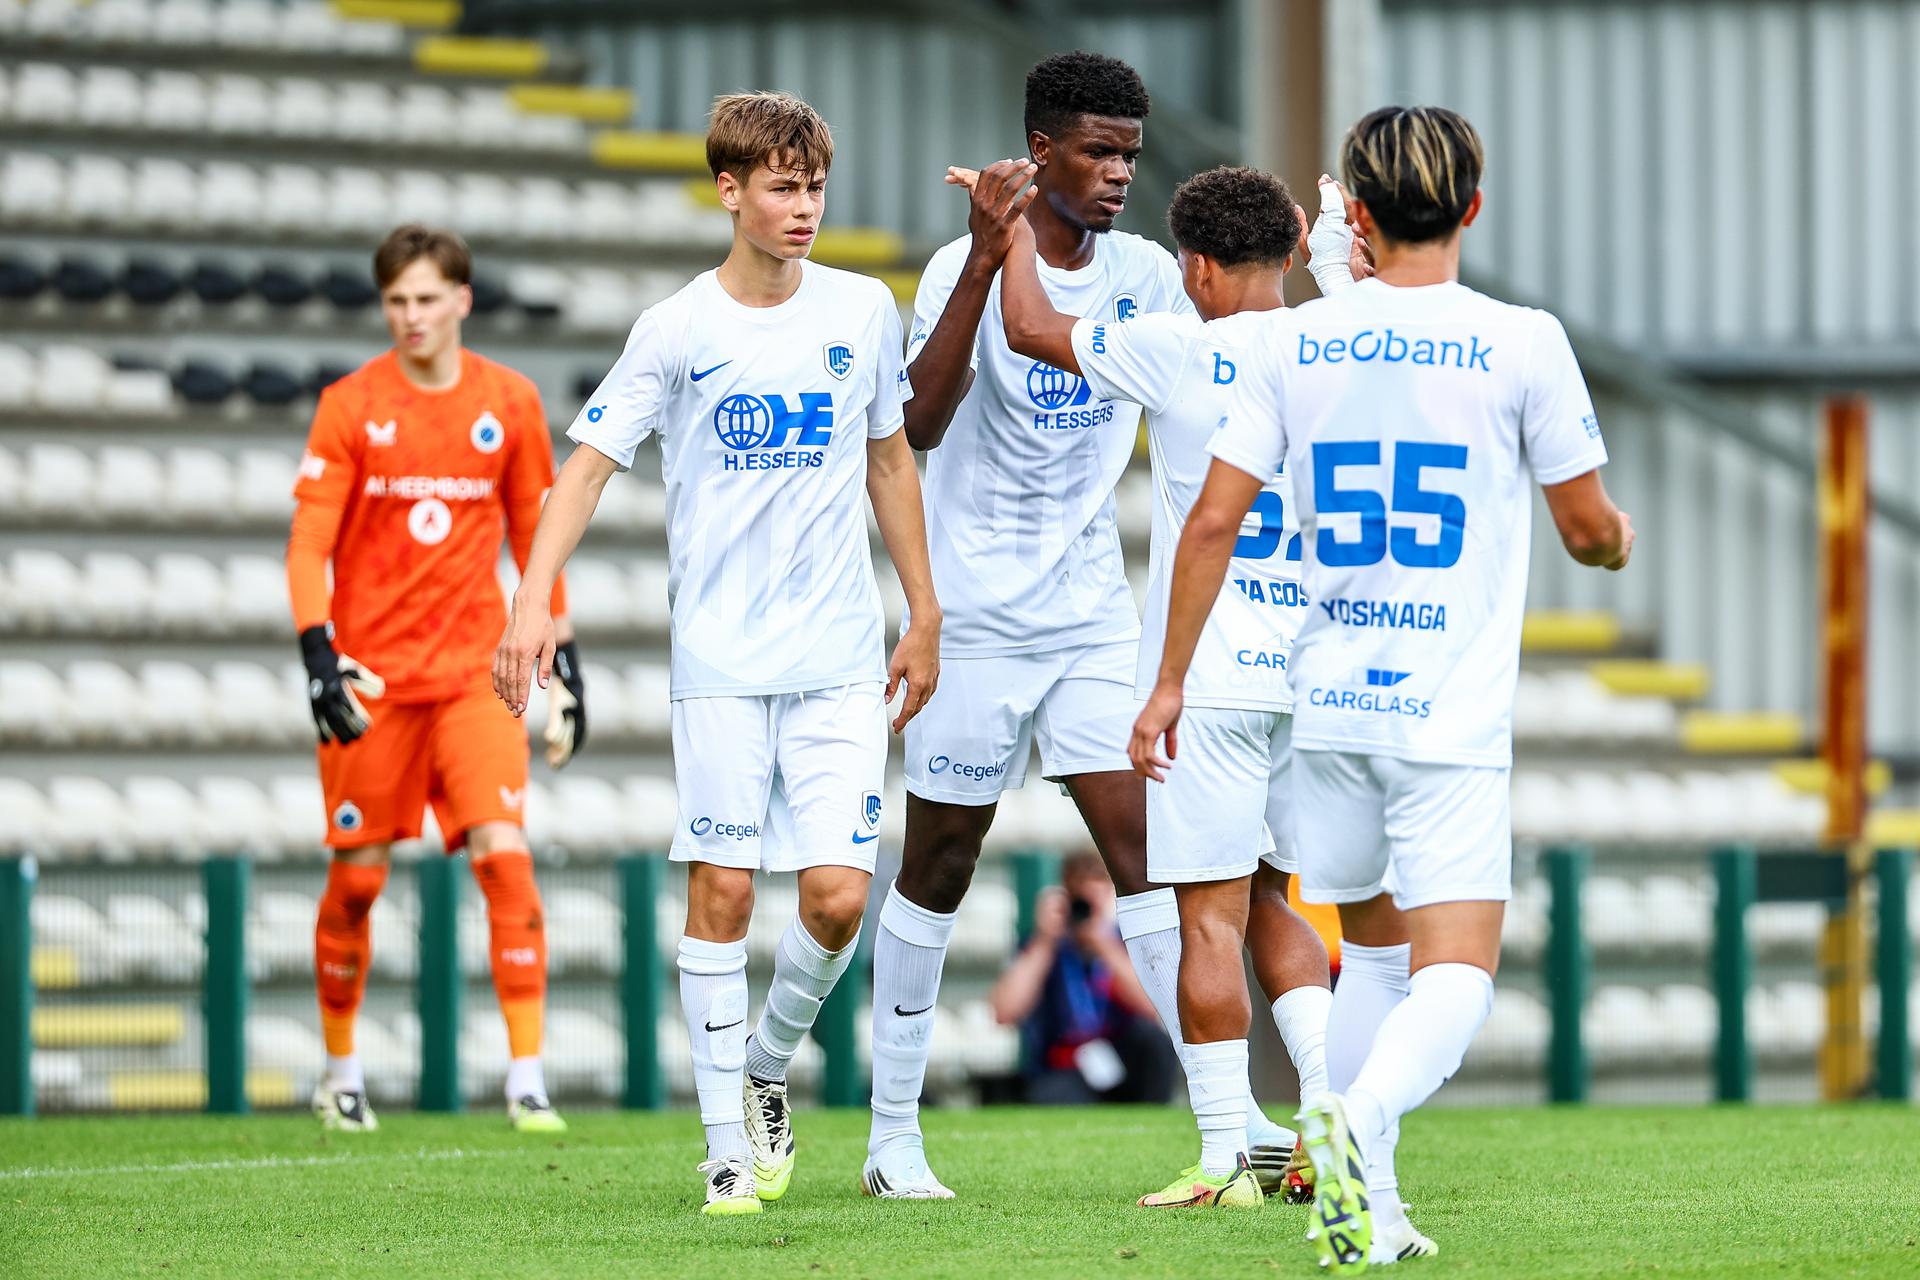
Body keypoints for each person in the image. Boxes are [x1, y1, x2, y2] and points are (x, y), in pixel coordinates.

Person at [1131, 105, 1633, 1268]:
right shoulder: (1521, 340)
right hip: (1446, 713)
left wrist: (1165, 683)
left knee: (1376, 954)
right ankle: (1353, 1122)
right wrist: (1615, 539)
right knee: (1455, 971)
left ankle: (1373, 1205)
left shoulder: (1291, 344)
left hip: (1330, 702)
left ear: (1352, 214)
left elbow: (1213, 518)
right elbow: (1587, 527)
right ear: (1473, 204)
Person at [492, 91, 941, 1218]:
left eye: (815, 187)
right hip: (724, 659)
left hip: (840, 654)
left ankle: (760, 1063)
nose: (804, 208)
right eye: (782, 187)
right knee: (726, 886)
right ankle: (723, 1154)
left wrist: (923, 608)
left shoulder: (861, 310)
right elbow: (586, 465)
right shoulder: (678, 326)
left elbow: (890, 461)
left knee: (838, 898)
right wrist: (533, 599)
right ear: (729, 190)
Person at [865, 47, 1297, 1203]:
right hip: (973, 617)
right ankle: (891, 1134)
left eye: (1130, 156)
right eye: (1097, 151)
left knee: (1150, 857)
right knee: (940, 861)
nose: (1116, 174)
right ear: (1038, 148)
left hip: (1095, 616)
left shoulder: (1154, 277)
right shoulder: (959, 265)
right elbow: (921, 419)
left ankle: (1231, 1123)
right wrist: (982, 264)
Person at [973, 158, 1366, 1209]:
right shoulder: (1340, 345)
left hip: (1217, 681)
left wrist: (1012, 228)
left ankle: (1224, 1156)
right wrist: (1332, 248)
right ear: (1285, 250)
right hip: (1320, 672)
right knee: (1281, 897)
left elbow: (1028, 329)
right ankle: (1329, 1115)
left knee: (1207, 916)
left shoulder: (1178, 348)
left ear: (1192, 267)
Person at [287, 224, 584, 1135]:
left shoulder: (510, 401)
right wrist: (316, 650)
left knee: (507, 860)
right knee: (359, 883)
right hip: (373, 682)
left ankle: (526, 1077)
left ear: (461, 299)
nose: (410, 316)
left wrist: (562, 660)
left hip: (472, 677)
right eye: (396, 302)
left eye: (426, 298)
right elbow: (309, 543)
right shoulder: (349, 405)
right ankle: (341, 1074)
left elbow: (540, 540)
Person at [989, 852, 1175, 1106]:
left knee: (1154, 1042)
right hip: (1067, 1066)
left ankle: (1155, 1119)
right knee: (1052, 1095)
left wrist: (1104, 945)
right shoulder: (1044, 946)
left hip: (1121, 1056)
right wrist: (1044, 942)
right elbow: (1004, 1012)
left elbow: (1152, 1010)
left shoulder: (1122, 943)